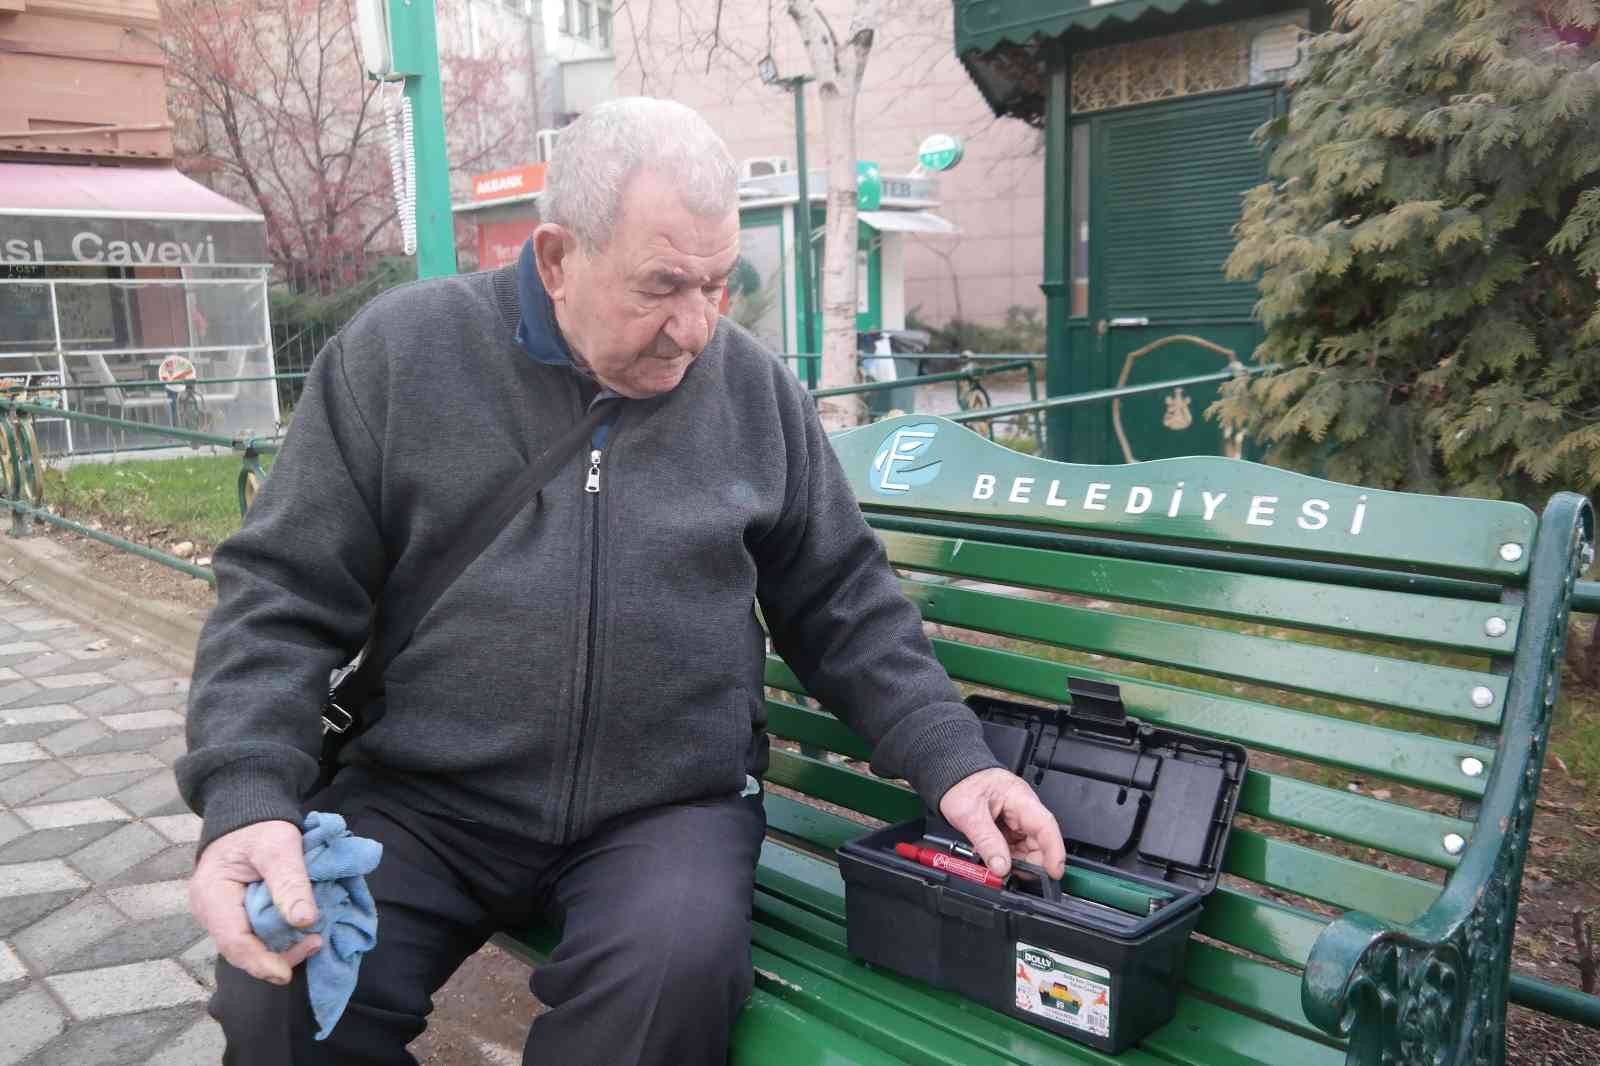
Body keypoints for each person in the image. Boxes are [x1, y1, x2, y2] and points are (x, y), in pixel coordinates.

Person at [178, 97, 1067, 1065]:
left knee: (663, 997)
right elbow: (280, 595)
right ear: (557, 258)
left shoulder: (754, 391)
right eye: (662, 285)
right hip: (423, 800)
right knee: (284, 999)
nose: (694, 328)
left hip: (664, 812)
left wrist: (956, 759)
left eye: (720, 284)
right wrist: (251, 795)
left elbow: (842, 604)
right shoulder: (401, 355)